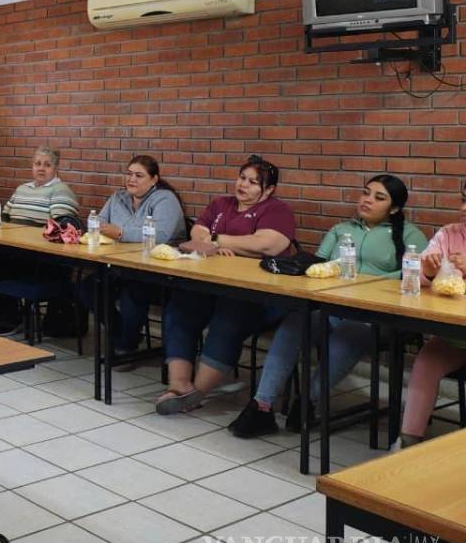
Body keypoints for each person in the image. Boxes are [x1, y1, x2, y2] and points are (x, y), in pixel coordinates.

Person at [228, 175, 426, 437]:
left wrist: (367, 280)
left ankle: (308, 401)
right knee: (296, 323)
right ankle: (261, 406)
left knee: (349, 333)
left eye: (379, 198)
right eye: (365, 193)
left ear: (395, 208)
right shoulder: (342, 229)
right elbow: (317, 267)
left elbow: (416, 277)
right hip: (334, 307)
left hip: (379, 316)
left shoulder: (412, 236)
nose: (367, 200)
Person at [157, 155, 297, 414]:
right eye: (242, 178)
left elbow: (267, 244)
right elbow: (196, 233)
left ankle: (197, 393)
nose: (243, 185)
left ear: (268, 190)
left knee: (231, 315)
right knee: (181, 305)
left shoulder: (277, 210)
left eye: (253, 182)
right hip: (215, 286)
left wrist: (218, 241)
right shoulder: (221, 203)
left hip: (262, 297)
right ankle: (179, 386)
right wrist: (231, 243)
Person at [76, 155, 187, 362]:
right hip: (120, 265)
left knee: (132, 293)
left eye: (138, 175)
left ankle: (127, 345)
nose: (131, 180)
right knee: (88, 288)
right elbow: (98, 222)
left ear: (154, 179)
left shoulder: (165, 199)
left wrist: (118, 232)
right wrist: (105, 228)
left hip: (158, 273)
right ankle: (122, 334)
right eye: (129, 174)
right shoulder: (118, 197)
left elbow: (160, 235)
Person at [0, 147, 80, 335]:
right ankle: (7, 312)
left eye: (47, 165)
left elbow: (62, 228)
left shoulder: (60, 190)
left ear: (56, 169)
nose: (41, 168)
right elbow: (3, 218)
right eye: (37, 164)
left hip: (41, 256)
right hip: (14, 249)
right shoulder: (22, 189)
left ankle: (8, 318)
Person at [394, 185, 466, 449]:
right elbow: (416, 278)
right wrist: (428, 271)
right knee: (425, 363)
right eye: (463, 200)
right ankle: (408, 442)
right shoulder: (448, 234)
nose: (463, 208)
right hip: (454, 337)